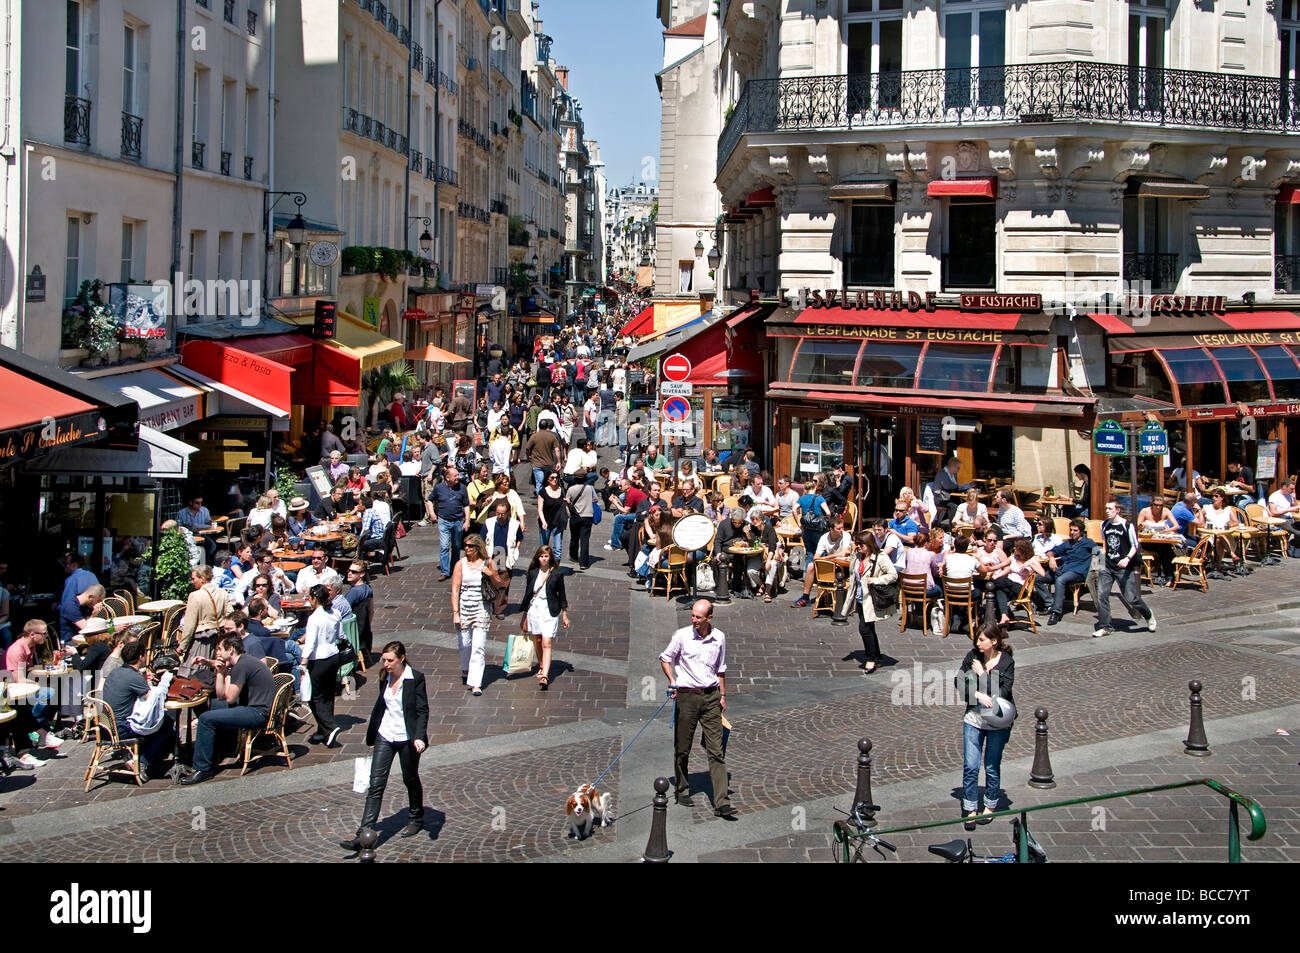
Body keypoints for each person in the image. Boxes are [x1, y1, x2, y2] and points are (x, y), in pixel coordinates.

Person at [338, 641, 430, 849]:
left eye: (390, 660)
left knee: (410, 778)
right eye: (384, 660)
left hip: (407, 737)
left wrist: (419, 736)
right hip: (385, 735)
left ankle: (416, 817)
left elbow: (423, 710)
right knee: (376, 785)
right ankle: (363, 834)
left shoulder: (415, 678)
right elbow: (382, 707)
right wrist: (373, 737)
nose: (386, 664)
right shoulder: (384, 676)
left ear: (402, 658)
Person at [659, 599, 736, 819]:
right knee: (682, 747)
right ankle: (682, 789)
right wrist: (672, 680)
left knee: (716, 750)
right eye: (692, 615)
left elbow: (720, 669)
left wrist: (722, 695)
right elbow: (665, 658)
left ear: (709, 618)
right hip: (687, 696)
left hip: (711, 696)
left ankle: (722, 802)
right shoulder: (682, 635)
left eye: (698, 617)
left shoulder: (719, 637)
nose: (694, 620)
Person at [178, 635, 278, 785]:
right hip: (256, 707)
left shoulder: (241, 666)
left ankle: (203, 768)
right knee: (211, 708)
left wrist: (223, 672)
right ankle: (216, 750)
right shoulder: (243, 661)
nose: (217, 652)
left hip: (257, 712)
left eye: (220, 649)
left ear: (230, 649)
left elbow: (230, 698)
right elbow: (220, 696)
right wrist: (220, 672)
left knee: (206, 719)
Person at [955, 623, 1016, 828]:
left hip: (998, 722)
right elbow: (959, 681)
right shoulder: (972, 656)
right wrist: (977, 694)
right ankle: (970, 808)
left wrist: (982, 675)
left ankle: (989, 805)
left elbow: (1003, 691)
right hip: (973, 719)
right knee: (971, 766)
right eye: (977, 640)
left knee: (991, 765)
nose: (977, 643)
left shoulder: (1006, 661)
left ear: (994, 641)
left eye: (982, 640)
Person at [451, 535, 505, 697]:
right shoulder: (461, 564)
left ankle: (476, 683)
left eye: (470, 546)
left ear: (477, 547)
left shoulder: (487, 562)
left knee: (478, 647)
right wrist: (456, 613)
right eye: (465, 546)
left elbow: (499, 583)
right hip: (464, 607)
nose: (466, 549)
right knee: (465, 644)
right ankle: (466, 667)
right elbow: (455, 589)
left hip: (482, 607)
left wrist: (490, 573)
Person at [1094, 500, 1156, 638]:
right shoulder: (1104, 525)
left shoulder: (1127, 526)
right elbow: (1106, 543)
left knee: (1131, 597)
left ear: (1117, 510)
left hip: (1123, 567)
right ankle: (1105, 626)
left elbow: (1134, 546)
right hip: (1108, 566)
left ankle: (1148, 614)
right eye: (1106, 508)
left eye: (1110, 508)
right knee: (1102, 595)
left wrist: (1127, 558)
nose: (1107, 511)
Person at [3, 620, 62, 767]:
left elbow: (27, 672)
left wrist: (44, 672)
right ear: (32, 634)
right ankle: (40, 733)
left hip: (16, 691)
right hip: (10, 692)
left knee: (53, 690)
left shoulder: (31, 647)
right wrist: (38, 683)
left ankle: (39, 736)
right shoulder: (17, 651)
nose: (46, 636)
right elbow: (20, 680)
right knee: (45, 694)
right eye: (44, 633)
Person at [300, 583, 346, 747]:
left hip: (318, 660)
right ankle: (323, 730)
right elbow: (341, 634)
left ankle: (329, 726)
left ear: (314, 599)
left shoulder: (314, 618)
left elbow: (310, 644)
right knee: (327, 695)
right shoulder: (335, 612)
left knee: (314, 697)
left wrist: (303, 662)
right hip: (333, 657)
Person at [519, 545, 570, 690]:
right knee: (538, 639)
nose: (544, 559)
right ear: (538, 558)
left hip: (550, 611)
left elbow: (562, 594)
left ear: (550, 558)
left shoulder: (557, 574)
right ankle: (541, 664)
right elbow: (528, 593)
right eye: (541, 556)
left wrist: (564, 613)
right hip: (534, 611)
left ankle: (545, 675)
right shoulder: (532, 572)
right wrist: (524, 613)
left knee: (547, 642)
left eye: (546, 556)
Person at [849, 532, 898, 673]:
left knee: (864, 628)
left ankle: (871, 659)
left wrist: (876, 580)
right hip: (859, 598)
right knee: (869, 629)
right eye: (857, 544)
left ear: (869, 544)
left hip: (870, 598)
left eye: (861, 544)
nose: (858, 547)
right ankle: (877, 657)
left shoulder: (881, 557)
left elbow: (893, 575)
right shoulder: (859, 556)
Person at [177, 566, 229, 676]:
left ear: (202, 578)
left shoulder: (195, 596)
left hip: (202, 641)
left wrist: (182, 646)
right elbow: (229, 615)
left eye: (193, 578)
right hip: (218, 639)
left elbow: (189, 625)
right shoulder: (223, 593)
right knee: (216, 671)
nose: (192, 582)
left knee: (196, 674)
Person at [792, 516, 852, 608]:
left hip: (845, 567)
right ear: (831, 529)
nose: (841, 530)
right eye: (838, 528)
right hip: (830, 565)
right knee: (811, 566)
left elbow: (843, 554)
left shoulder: (846, 536)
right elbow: (816, 557)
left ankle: (826, 597)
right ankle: (805, 597)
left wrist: (826, 558)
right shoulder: (824, 538)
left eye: (842, 527)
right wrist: (827, 559)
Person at [988, 538, 1046, 626]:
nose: (1014, 549)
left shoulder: (1032, 560)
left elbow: (1042, 573)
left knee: (1000, 582)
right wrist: (990, 569)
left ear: (1022, 549)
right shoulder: (1014, 557)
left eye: (1016, 547)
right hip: (1009, 587)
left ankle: (990, 587)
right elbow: (1002, 565)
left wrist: (1030, 565)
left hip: (1021, 589)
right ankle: (1004, 616)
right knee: (1000, 591)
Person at [430, 466, 471, 582]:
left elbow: (466, 505)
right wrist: (432, 513)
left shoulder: (462, 488)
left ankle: (454, 568)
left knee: (457, 546)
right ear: (447, 478)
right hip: (444, 520)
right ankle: (445, 571)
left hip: (458, 521)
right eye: (455, 476)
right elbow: (429, 500)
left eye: (458, 475)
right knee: (444, 546)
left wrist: (467, 520)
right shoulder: (439, 488)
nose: (458, 477)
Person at [483, 500, 522, 619]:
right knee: (490, 581)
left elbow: (519, 539)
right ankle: (489, 604)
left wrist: (515, 551)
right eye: (498, 513)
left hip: (505, 555)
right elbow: (481, 538)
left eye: (503, 514)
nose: (500, 516)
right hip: (492, 555)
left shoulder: (514, 524)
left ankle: (499, 609)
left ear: (508, 513)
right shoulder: (489, 522)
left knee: (504, 582)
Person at [524, 418, 564, 496]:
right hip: (548, 463)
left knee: (539, 483)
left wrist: (528, 456)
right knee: (548, 482)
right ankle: (548, 498)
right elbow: (557, 450)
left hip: (537, 463)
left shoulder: (534, 436)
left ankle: (540, 500)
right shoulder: (552, 436)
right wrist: (559, 461)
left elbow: (527, 448)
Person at [537, 469, 567, 561]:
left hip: (558, 522)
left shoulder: (562, 490)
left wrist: (568, 502)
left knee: (557, 549)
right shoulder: (543, 492)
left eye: (557, 477)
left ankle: (554, 571)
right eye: (552, 478)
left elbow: (566, 505)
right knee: (544, 548)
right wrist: (543, 522)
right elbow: (540, 509)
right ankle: (542, 567)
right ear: (547, 479)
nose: (555, 479)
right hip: (545, 522)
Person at [932, 455, 968, 527]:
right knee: (954, 506)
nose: (959, 469)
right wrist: (958, 486)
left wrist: (964, 487)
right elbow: (947, 486)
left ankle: (963, 524)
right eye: (958, 467)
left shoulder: (953, 475)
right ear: (952, 466)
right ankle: (952, 526)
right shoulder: (942, 474)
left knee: (964, 504)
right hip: (940, 499)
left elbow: (954, 487)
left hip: (949, 497)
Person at [1267, 478, 1300, 552]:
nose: (1293, 491)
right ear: (1285, 487)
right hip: (1281, 521)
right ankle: (1295, 547)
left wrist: (1294, 499)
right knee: (1298, 532)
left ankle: (1294, 545)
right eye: (1291, 489)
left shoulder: (1289, 495)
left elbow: (1296, 510)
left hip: (1290, 519)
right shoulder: (1275, 496)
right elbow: (1273, 513)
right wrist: (1288, 510)